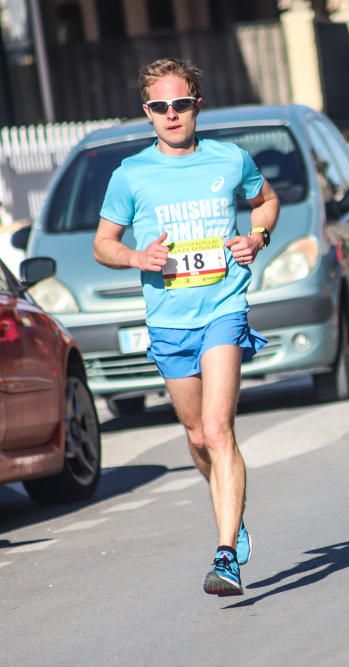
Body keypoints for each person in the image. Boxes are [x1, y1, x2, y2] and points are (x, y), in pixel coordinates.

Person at [93, 58, 279, 595]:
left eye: (180, 104)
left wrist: (256, 238)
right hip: (168, 320)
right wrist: (136, 258)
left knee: (219, 430)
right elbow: (103, 244)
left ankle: (225, 555)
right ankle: (231, 510)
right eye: (160, 107)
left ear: (198, 105)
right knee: (197, 435)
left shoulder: (229, 159)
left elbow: (266, 202)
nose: (171, 115)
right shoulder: (130, 174)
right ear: (147, 113)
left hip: (223, 307)